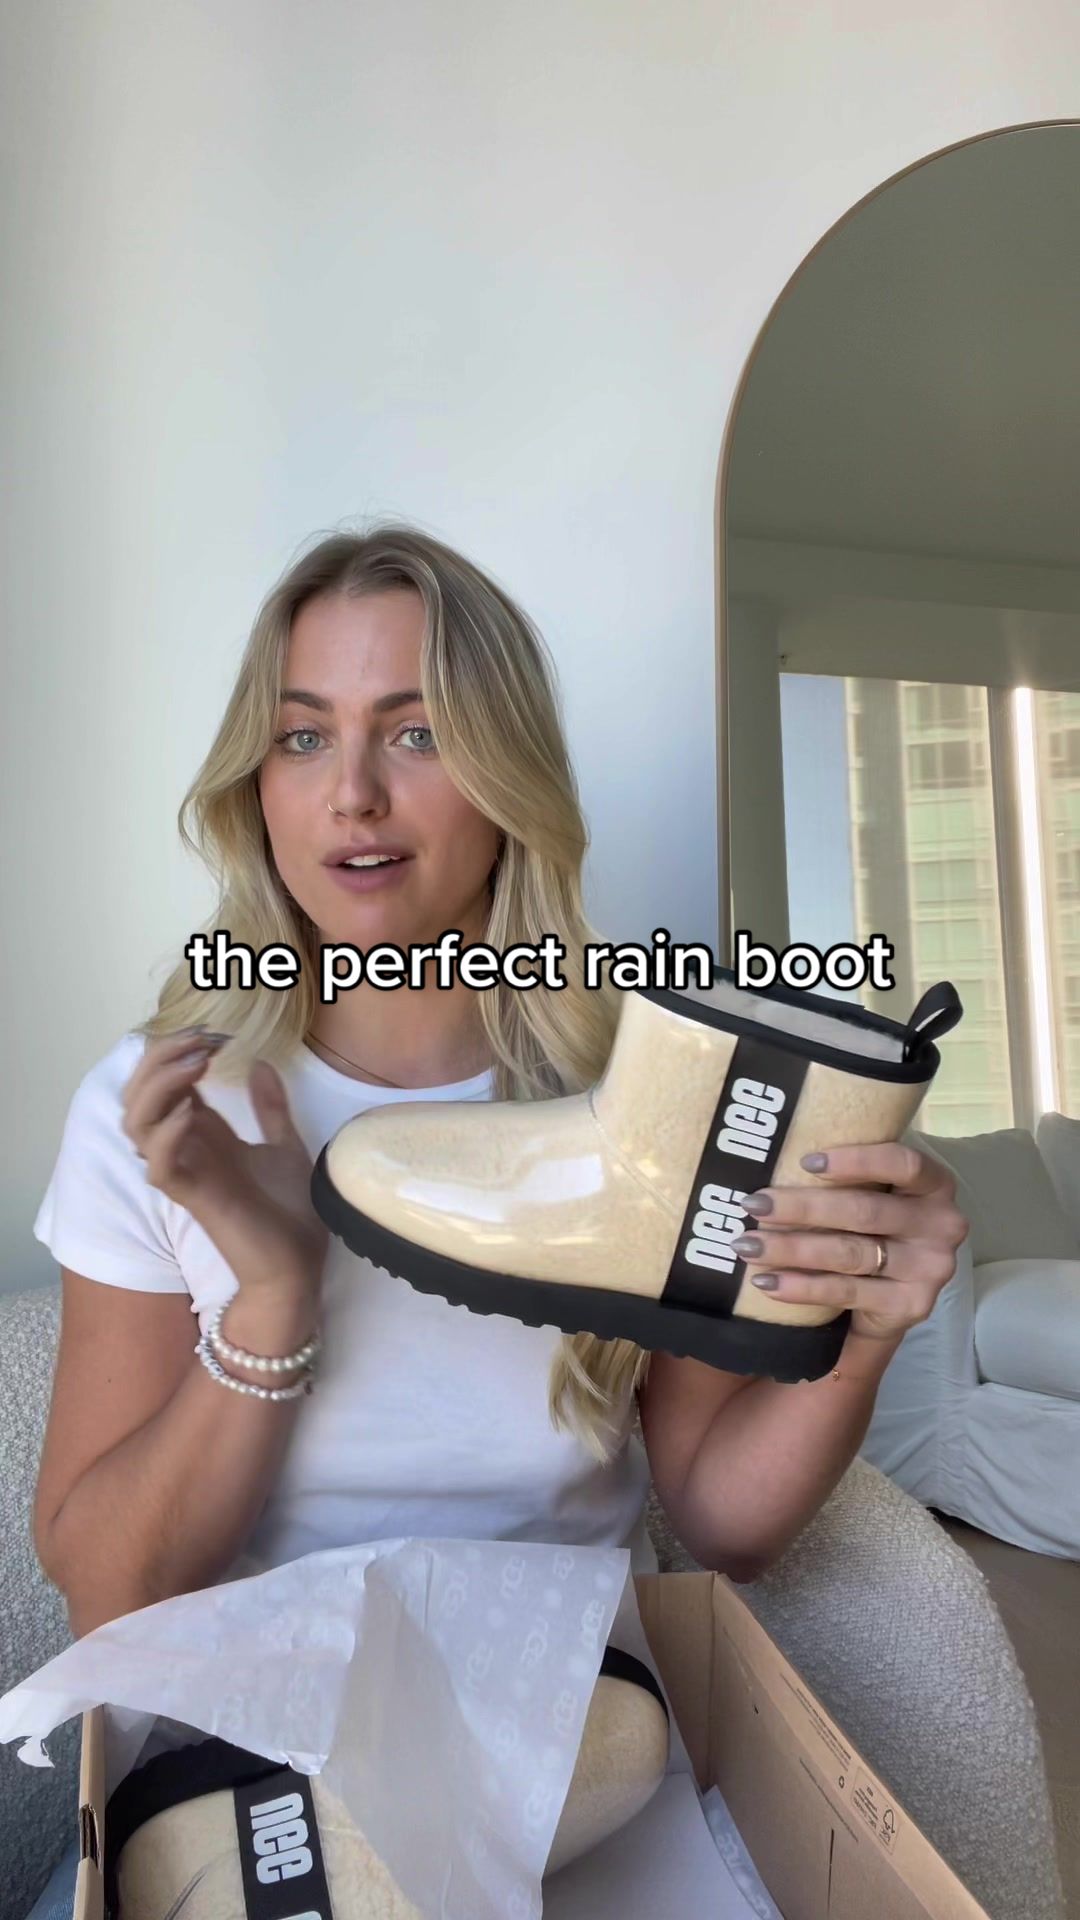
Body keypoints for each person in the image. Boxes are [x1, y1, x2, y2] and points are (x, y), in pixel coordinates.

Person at [25, 523, 968, 1918]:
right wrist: (271, 1299)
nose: (352, 795)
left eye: (416, 735)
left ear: (508, 775)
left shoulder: (649, 1098)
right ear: (255, 784)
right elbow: (114, 1592)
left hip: (568, 1730)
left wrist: (868, 1326)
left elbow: (728, 1524)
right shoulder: (166, 1107)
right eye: (302, 737)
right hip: (242, 1751)